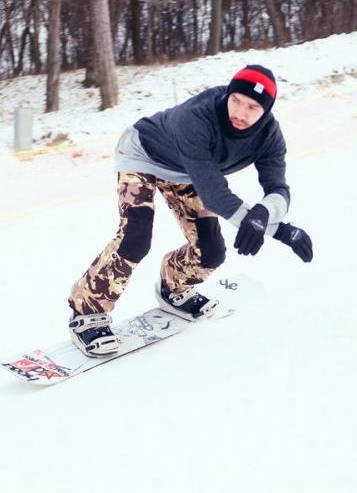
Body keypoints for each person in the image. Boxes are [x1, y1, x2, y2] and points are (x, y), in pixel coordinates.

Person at [67, 64, 313, 356]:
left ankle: (174, 287)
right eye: (235, 100)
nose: (240, 113)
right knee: (136, 236)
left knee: (211, 250)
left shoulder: (269, 136)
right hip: (142, 154)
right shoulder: (198, 117)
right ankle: (86, 311)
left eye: (252, 107)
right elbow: (214, 194)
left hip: (184, 173)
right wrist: (281, 231)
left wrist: (266, 214)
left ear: (267, 110)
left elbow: (278, 189)